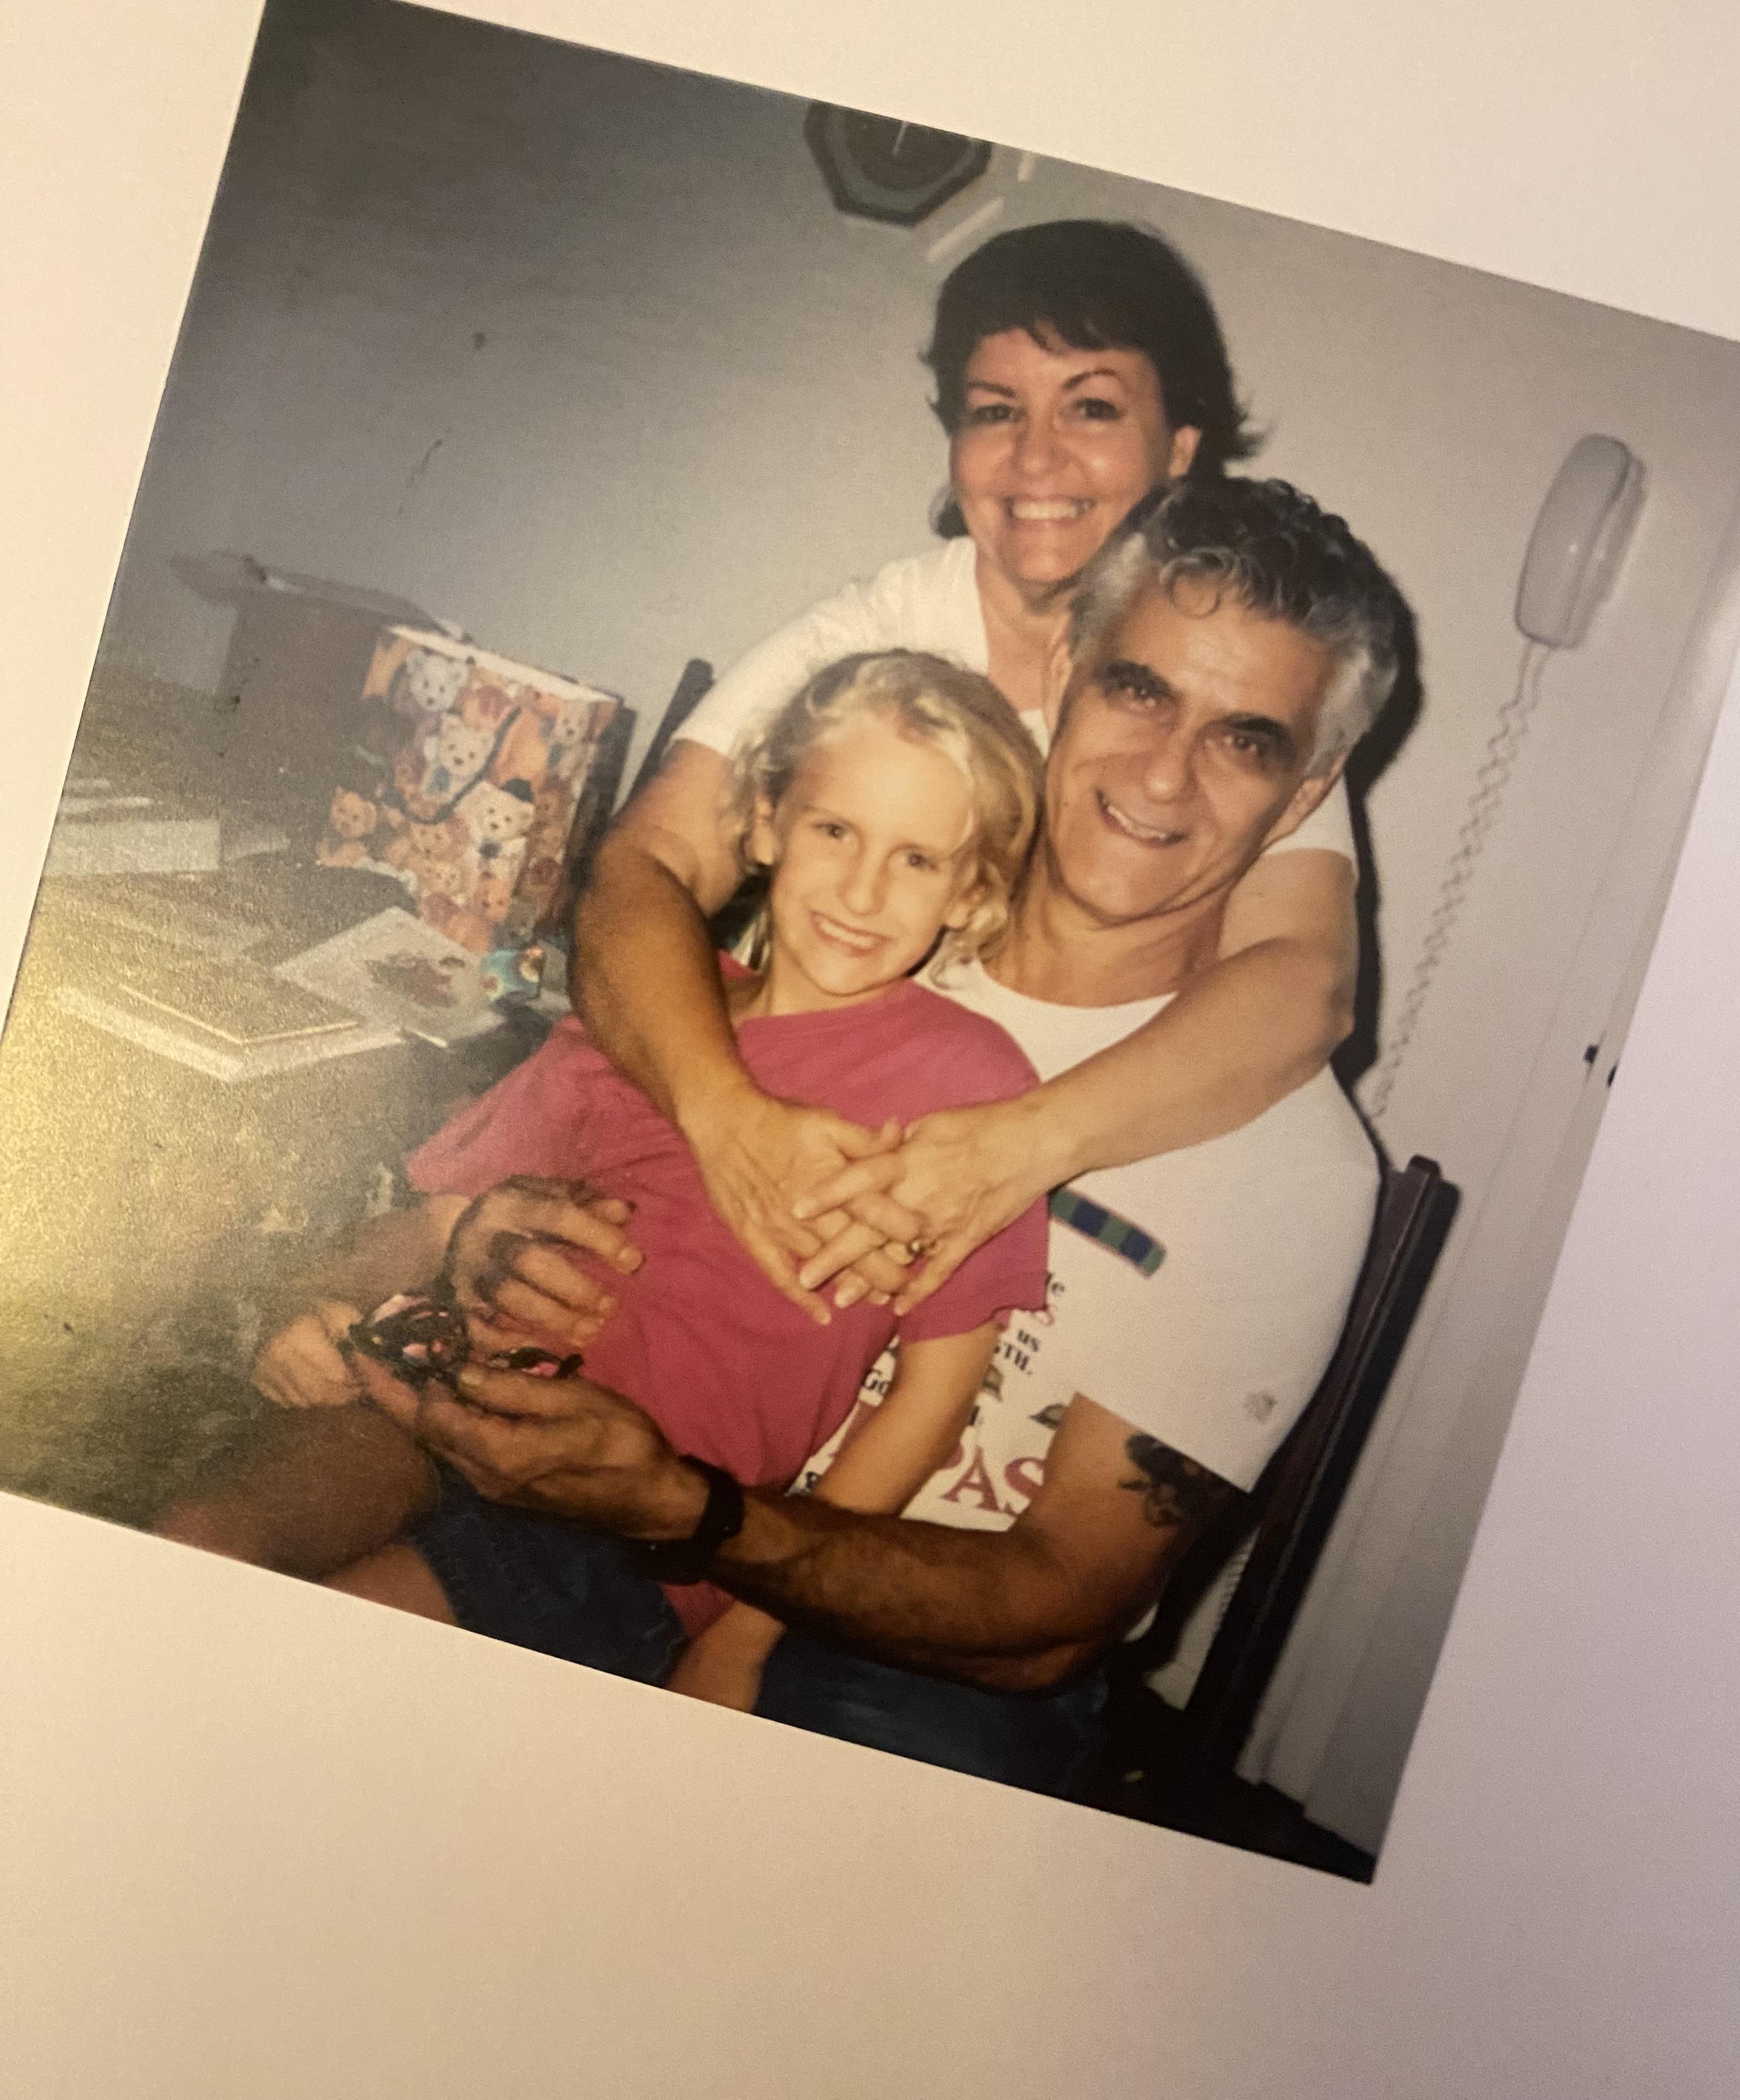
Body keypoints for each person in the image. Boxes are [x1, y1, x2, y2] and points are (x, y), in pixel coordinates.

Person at [399, 476, 1408, 1796]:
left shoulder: (1294, 1167)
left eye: (1247, 740)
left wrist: (699, 1523)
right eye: (1142, 691)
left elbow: (1053, 1615)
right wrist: (495, 1240)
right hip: (604, 1498)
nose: (1165, 771)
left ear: (1305, 791)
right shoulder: (870, 933)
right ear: (1065, 673)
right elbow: (599, 1122)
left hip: (915, 1664)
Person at [157, 653, 1051, 1715]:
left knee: (305, 1681)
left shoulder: (964, 1083)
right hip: (437, 1403)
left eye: (916, 859)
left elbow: (934, 1394)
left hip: (614, 1527)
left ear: (974, 888)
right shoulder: (649, 1002)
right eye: (835, 831)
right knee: (187, 1559)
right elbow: (435, 1227)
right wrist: (312, 1311)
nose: (863, 891)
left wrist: (752, 1632)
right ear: (765, 823)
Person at [571, 219, 1364, 1331]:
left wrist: (1015, 1149)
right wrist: (725, 1117)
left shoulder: (1223, 683)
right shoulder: (881, 629)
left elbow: (1303, 988)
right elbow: (641, 867)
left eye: (1091, 408)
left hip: (1020, 1195)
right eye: (997, 412)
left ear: (1181, 447)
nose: (1037, 461)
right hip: (780, 1152)